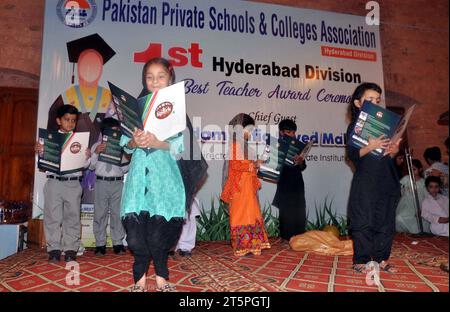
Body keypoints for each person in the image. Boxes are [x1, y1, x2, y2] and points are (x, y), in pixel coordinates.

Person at [120, 57, 186, 292]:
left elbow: (184, 146)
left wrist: (160, 143)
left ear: (170, 79)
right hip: (139, 183)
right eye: (150, 77)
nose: (155, 81)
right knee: (137, 239)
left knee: (158, 238)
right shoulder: (136, 107)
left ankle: (161, 278)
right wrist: (133, 141)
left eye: (161, 76)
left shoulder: (178, 110)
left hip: (165, 183)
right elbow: (123, 144)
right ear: (144, 80)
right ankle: (139, 279)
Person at [346, 82, 402, 274]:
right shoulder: (355, 127)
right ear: (358, 103)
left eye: (378, 100)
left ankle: (382, 259)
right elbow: (353, 157)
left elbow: (387, 158)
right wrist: (371, 146)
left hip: (387, 180)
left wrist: (393, 151)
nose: (375, 103)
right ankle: (360, 260)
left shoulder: (386, 128)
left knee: (385, 222)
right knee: (363, 220)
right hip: (366, 181)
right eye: (369, 100)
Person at [35, 105, 90, 262]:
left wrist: (86, 156)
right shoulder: (48, 139)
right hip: (54, 182)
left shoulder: (80, 141)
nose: (70, 123)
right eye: (67, 120)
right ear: (59, 120)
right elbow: (42, 163)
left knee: (72, 217)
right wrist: (40, 151)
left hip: (73, 183)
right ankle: (54, 249)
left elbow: (87, 166)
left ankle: (71, 249)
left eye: (73, 120)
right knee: (52, 216)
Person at [221, 113, 271, 257]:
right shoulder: (235, 145)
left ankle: (252, 244)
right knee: (241, 214)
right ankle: (243, 246)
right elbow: (236, 165)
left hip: (247, 185)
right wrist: (253, 164)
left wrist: (257, 163)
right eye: (249, 129)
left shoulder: (244, 146)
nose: (250, 133)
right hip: (239, 186)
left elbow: (249, 164)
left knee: (252, 213)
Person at [89, 117, 128, 256]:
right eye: (112, 131)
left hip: (117, 182)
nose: (115, 134)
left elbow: (124, 169)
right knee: (100, 214)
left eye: (118, 131)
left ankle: (118, 242)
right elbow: (92, 166)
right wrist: (96, 153)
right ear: (104, 132)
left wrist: (124, 156)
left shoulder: (122, 147)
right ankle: (100, 244)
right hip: (101, 182)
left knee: (118, 214)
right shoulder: (96, 146)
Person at [272, 119, 307, 240]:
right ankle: (286, 238)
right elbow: (273, 166)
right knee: (286, 210)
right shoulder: (276, 146)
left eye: (293, 132)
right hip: (284, 182)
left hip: (297, 181)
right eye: (289, 132)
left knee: (299, 208)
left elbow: (303, 167)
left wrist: (300, 161)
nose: (292, 135)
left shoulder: (298, 145)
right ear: (281, 132)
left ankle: (299, 237)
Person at [395, 159, 430, 234]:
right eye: (410, 170)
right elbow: (398, 187)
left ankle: (415, 232)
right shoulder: (406, 179)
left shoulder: (423, 182)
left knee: (418, 222)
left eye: (414, 169)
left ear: (420, 169)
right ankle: (405, 232)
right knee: (399, 218)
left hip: (418, 206)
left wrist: (423, 210)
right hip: (406, 206)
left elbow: (427, 197)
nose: (411, 172)